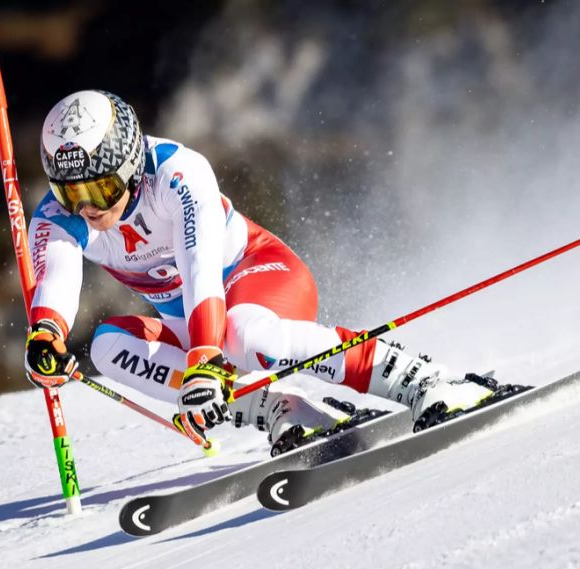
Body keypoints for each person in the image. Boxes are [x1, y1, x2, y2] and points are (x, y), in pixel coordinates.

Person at [24, 90, 499, 453]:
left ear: (129, 168)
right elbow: (58, 274)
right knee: (108, 348)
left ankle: (422, 379)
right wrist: (46, 334)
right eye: (71, 194)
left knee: (243, 336)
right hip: (195, 324)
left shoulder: (176, 173)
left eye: (102, 189)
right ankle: (279, 406)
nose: (87, 208)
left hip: (256, 275)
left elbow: (202, 271)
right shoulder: (57, 216)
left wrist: (205, 357)